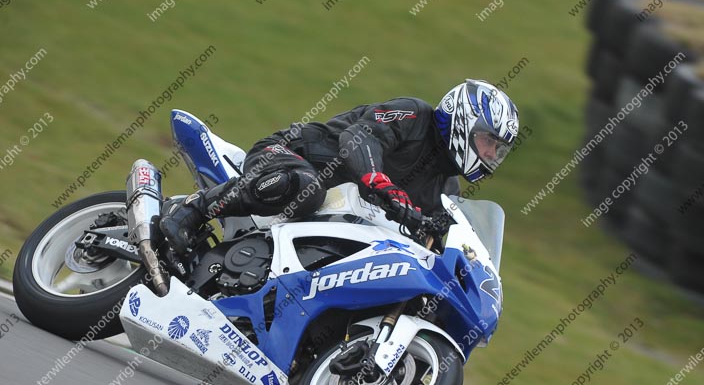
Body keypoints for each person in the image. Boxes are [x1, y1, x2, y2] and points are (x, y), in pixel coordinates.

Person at [159, 79, 519, 254]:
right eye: (489, 142)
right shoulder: (414, 114)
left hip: (332, 223)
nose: (491, 155)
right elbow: (357, 140)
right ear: (464, 121)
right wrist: (383, 184)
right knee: (306, 189)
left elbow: (435, 245)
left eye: (498, 150)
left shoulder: (446, 191)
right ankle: (192, 211)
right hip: (291, 156)